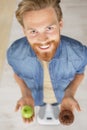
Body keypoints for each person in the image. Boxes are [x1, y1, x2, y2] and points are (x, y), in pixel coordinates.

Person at [7, 0, 87, 123]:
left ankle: (53, 105)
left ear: (60, 24)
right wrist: (26, 93)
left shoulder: (79, 53)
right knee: (43, 104)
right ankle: (44, 106)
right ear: (24, 31)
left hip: (61, 96)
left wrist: (69, 94)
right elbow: (17, 75)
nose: (43, 39)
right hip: (36, 97)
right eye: (33, 31)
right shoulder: (14, 53)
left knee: (55, 103)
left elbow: (80, 74)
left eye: (49, 28)